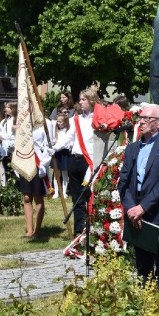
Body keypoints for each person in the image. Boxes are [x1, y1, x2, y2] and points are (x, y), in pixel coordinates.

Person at [118, 103, 159, 304]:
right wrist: (131, 209)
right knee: (142, 262)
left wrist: (143, 207)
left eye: (147, 119)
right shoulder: (132, 148)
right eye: (141, 118)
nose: (142, 122)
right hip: (135, 213)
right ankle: (144, 299)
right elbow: (124, 182)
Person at [52, 89, 101, 235]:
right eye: (80, 99)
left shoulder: (97, 119)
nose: (80, 102)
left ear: (92, 101)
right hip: (75, 161)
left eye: (84, 99)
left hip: (89, 163)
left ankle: (92, 230)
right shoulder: (76, 119)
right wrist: (54, 148)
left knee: (88, 197)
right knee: (76, 199)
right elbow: (68, 137)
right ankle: (79, 232)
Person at [0, 102, 16, 187]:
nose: (5, 109)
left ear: (13, 109)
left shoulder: (16, 120)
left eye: (8, 107)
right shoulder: (3, 121)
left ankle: (15, 184)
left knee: (13, 168)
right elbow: (0, 133)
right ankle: (6, 184)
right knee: (5, 166)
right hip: (4, 147)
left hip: (14, 147)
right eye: (5, 107)